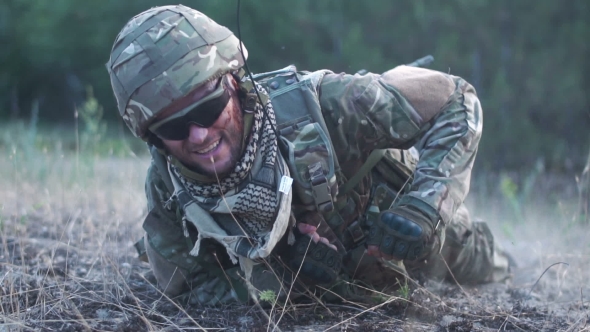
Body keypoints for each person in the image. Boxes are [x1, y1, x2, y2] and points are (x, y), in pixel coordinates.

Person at [106, 5, 510, 305]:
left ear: (235, 83)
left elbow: (456, 99)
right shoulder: (171, 188)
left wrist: (425, 206)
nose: (198, 135)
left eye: (207, 109)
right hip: (355, 277)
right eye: (173, 128)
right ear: (152, 137)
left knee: (477, 263)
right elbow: (190, 287)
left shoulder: (329, 103)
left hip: (402, 221)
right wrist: (281, 281)